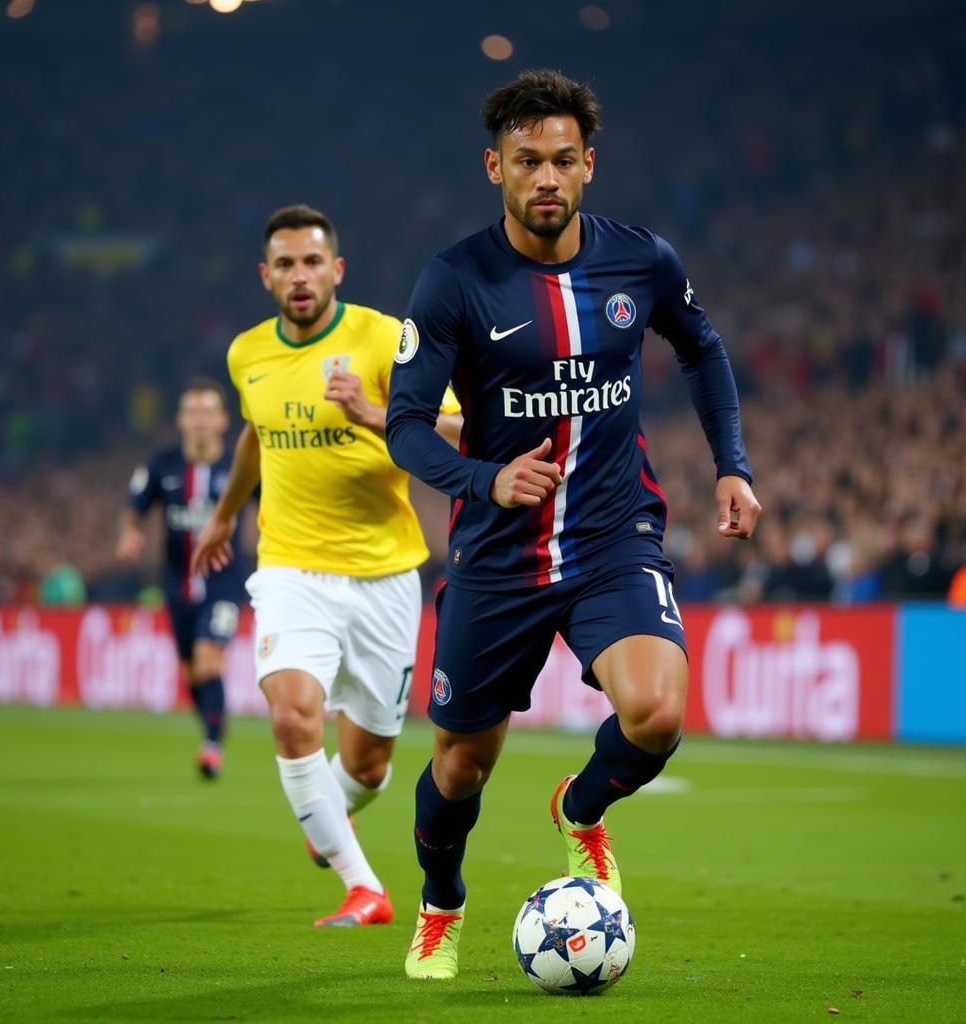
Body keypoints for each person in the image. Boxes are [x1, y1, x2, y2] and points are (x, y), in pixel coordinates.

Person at [386, 69, 762, 980]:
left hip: (612, 539)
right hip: (498, 558)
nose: (545, 177)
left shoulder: (643, 262)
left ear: (589, 164)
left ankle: (580, 809)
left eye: (562, 160)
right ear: (495, 168)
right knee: (459, 771)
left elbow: (703, 350)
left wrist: (734, 467)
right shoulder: (454, 281)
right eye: (526, 162)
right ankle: (442, 902)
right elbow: (402, 423)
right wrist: (484, 476)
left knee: (658, 712)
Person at [190, 204, 461, 928]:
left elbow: (469, 430)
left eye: (313, 262)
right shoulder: (248, 354)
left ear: (336, 269)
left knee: (369, 764)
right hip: (289, 571)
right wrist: (223, 515)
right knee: (291, 717)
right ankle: (363, 886)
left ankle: (326, 823)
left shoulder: (385, 339)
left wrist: (378, 413)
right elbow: (255, 432)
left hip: (385, 578)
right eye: (285, 264)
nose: (300, 276)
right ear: (266, 276)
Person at [116, 379, 246, 780]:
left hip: (224, 583)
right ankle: (211, 726)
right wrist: (130, 532)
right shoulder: (162, 465)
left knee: (210, 661)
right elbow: (134, 508)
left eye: (209, 412)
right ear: (181, 420)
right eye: (193, 412)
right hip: (177, 584)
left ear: (224, 420)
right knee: (192, 672)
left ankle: (211, 746)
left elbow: (272, 502)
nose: (201, 420)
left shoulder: (240, 467)